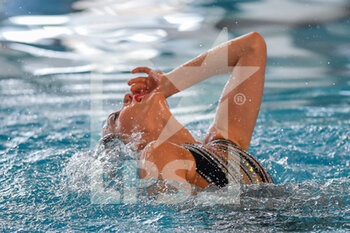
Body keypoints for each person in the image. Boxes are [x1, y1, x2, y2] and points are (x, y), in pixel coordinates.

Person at [102, 32, 274, 190]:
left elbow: (252, 46)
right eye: (115, 117)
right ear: (130, 141)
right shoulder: (158, 153)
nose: (127, 97)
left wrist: (170, 82)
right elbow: (173, 220)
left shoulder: (224, 142)